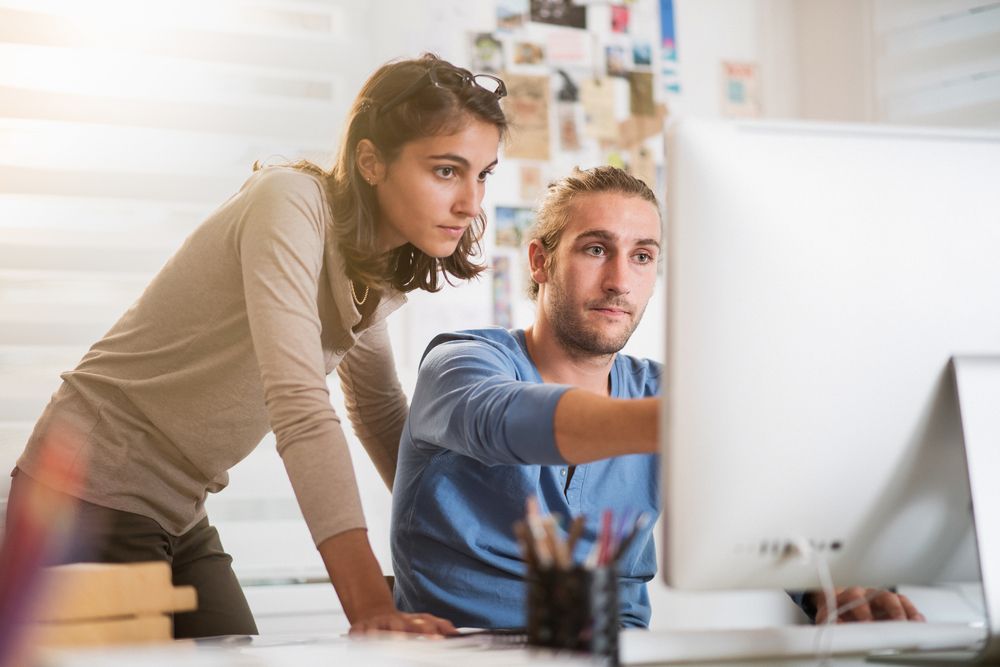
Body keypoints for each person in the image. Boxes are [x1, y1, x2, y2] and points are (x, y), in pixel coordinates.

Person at [6, 53, 507, 638]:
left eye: (483, 174)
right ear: (371, 161)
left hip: (178, 509)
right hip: (83, 492)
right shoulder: (290, 203)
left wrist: (468, 539)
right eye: (447, 170)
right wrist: (370, 603)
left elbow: (376, 409)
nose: (471, 202)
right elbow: (297, 401)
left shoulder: (373, 270)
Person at [389, 166, 925, 629]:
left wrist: (833, 587)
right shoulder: (460, 363)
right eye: (596, 249)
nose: (620, 280)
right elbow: (507, 421)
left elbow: (763, 511)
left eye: (642, 256)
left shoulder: (664, 390)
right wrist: (694, 421)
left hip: (618, 650)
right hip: (463, 651)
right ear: (540, 261)